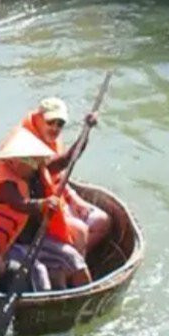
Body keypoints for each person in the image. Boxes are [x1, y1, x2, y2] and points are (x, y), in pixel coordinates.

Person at [0, 131, 85, 291]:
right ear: (13, 161)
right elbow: (21, 204)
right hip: (9, 245)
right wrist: (44, 203)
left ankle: (86, 295)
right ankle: (43, 303)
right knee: (38, 271)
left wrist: (84, 134)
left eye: (35, 159)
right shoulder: (5, 184)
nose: (34, 164)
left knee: (72, 257)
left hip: (34, 239)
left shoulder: (37, 171)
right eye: (29, 159)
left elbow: (67, 159)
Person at [20, 98, 111, 255]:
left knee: (101, 220)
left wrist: (74, 198)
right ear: (38, 119)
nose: (55, 128)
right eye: (50, 122)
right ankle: (72, 261)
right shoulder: (27, 145)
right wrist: (85, 132)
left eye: (60, 124)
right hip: (36, 212)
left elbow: (57, 176)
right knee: (80, 230)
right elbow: (64, 161)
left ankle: (73, 256)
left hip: (57, 199)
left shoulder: (52, 141)